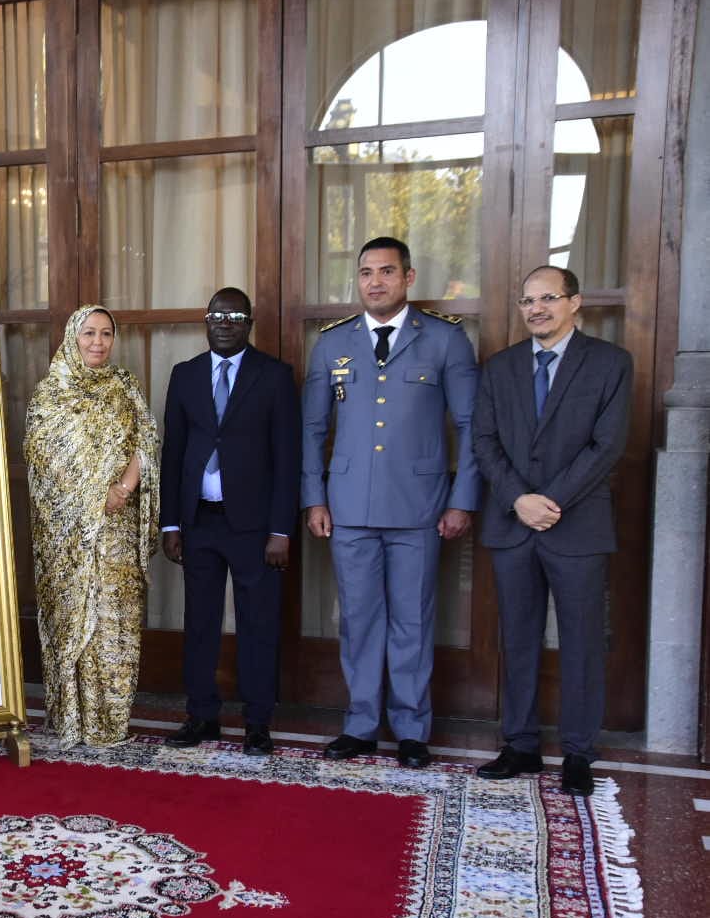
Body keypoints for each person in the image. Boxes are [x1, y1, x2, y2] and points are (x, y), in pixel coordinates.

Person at [302, 236, 480, 768]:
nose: (375, 282)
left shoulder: (445, 340)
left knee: (412, 621)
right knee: (358, 620)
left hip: (419, 507)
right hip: (349, 507)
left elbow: (471, 426)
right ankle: (359, 724)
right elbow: (313, 430)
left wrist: (462, 500)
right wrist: (314, 498)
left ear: (408, 277)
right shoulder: (332, 343)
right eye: (366, 273)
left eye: (386, 271)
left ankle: (410, 729)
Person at [471, 266, 632, 796]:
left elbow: (607, 445)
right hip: (513, 523)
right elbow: (484, 441)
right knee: (517, 638)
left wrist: (551, 501)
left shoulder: (610, 363)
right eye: (528, 301)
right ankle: (520, 744)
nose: (536, 309)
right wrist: (519, 499)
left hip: (577, 526)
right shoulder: (499, 367)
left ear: (574, 302)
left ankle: (579, 752)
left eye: (548, 298)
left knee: (581, 641)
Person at [160, 288, 300, 755]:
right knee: (199, 623)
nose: (225, 322)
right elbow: (173, 452)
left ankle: (257, 721)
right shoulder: (185, 375)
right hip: (199, 521)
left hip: (255, 528)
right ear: (206, 321)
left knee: (258, 624)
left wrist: (281, 529)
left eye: (236, 316)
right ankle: (201, 715)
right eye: (217, 315)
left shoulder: (274, 376)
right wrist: (171, 523)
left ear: (249, 324)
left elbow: (287, 457)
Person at [25, 304, 160, 748]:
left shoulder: (125, 386)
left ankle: (110, 723)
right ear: (73, 337)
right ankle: (73, 719)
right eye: (89, 333)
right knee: (73, 620)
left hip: (118, 529)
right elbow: (43, 460)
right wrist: (91, 497)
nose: (98, 342)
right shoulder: (51, 394)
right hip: (69, 538)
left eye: (106, 333)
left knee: (115, 621)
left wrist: (122, 488)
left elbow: (146, 442)